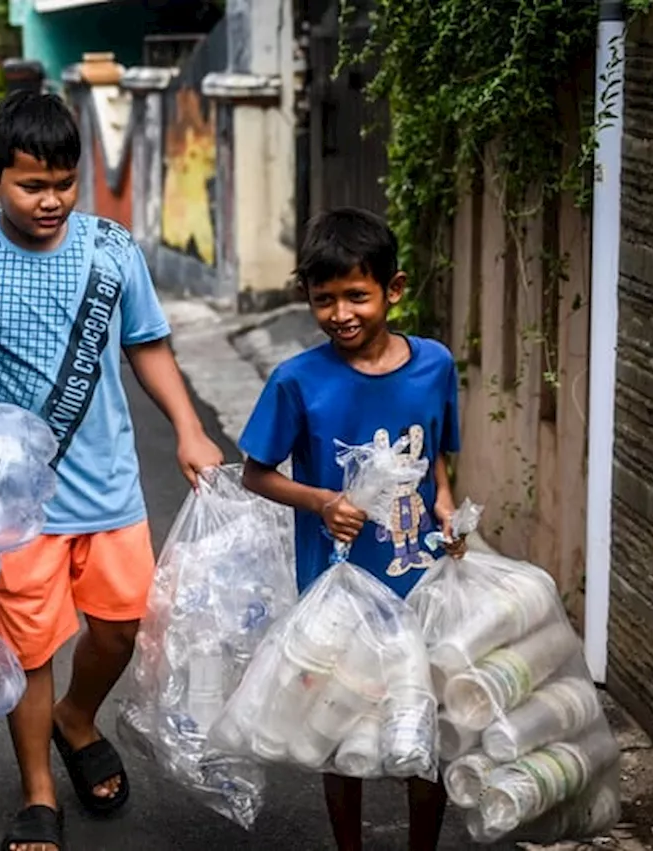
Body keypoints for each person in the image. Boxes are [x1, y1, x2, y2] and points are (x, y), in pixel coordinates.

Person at [0, 90, 224, 851]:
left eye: (64, 184)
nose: (51, 201)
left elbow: (146, 343)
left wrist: (189, 428)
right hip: (13, 505)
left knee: (122, 626)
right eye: (32, 185)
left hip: (109, 485)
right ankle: (39, 788)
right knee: (28, 649)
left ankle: (79, 717)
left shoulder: (112, 249)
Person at [238, 207, 464, 851]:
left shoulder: (434, 365)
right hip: (336, 591)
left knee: (427, 726)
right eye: (324, 300)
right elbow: (256, 473)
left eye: (357, 296)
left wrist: (446, 503)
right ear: (306, 298)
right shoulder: (296, 381)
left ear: (393, 289)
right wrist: (319, 500)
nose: (341, 314)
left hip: (420, 580)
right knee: (344, 730)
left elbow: (439, 454)